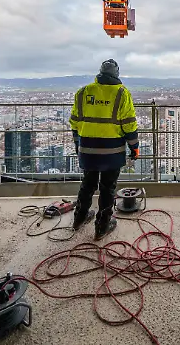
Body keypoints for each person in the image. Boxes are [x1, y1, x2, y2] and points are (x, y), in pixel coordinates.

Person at [70, 59, 139, 240]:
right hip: (112, 151)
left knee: (87, 184)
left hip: (87, 149)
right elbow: (129, 125)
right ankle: (102, 226)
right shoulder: (122, 94)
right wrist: (135, 147)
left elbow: (75, 122)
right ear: (117, 74)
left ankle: (79, 218)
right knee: (108, 188)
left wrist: (78, 144)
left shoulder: (83, 92)